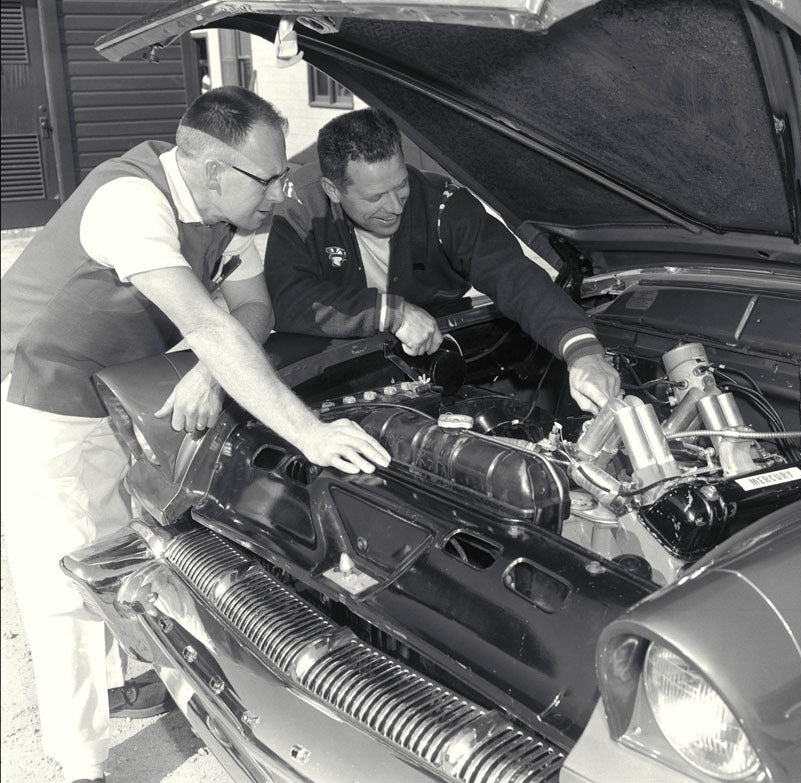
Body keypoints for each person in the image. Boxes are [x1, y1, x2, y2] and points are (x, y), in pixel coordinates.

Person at [0, 86, 389, 783]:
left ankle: (128, 676)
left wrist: (213, 375)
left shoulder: (239, 212)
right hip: (33, 394)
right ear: (213, 171)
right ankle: (81, 760)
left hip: (111, 390)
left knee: (131, 541)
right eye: (267, 178)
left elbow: (252, 307)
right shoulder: (129, 202)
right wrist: (308, 431)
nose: (281, 191)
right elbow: (205, 321)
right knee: (63, 577)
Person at [263, 108, 620, 415]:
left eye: (400, 185)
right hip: (336, 373)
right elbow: (288, 298)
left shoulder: (445, 206)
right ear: (332, 190)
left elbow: (513, 275)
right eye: (375, 197)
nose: (395, 206)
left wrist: (581, 351)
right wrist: (391, 313)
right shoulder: (301, 205)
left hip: (442, 360)